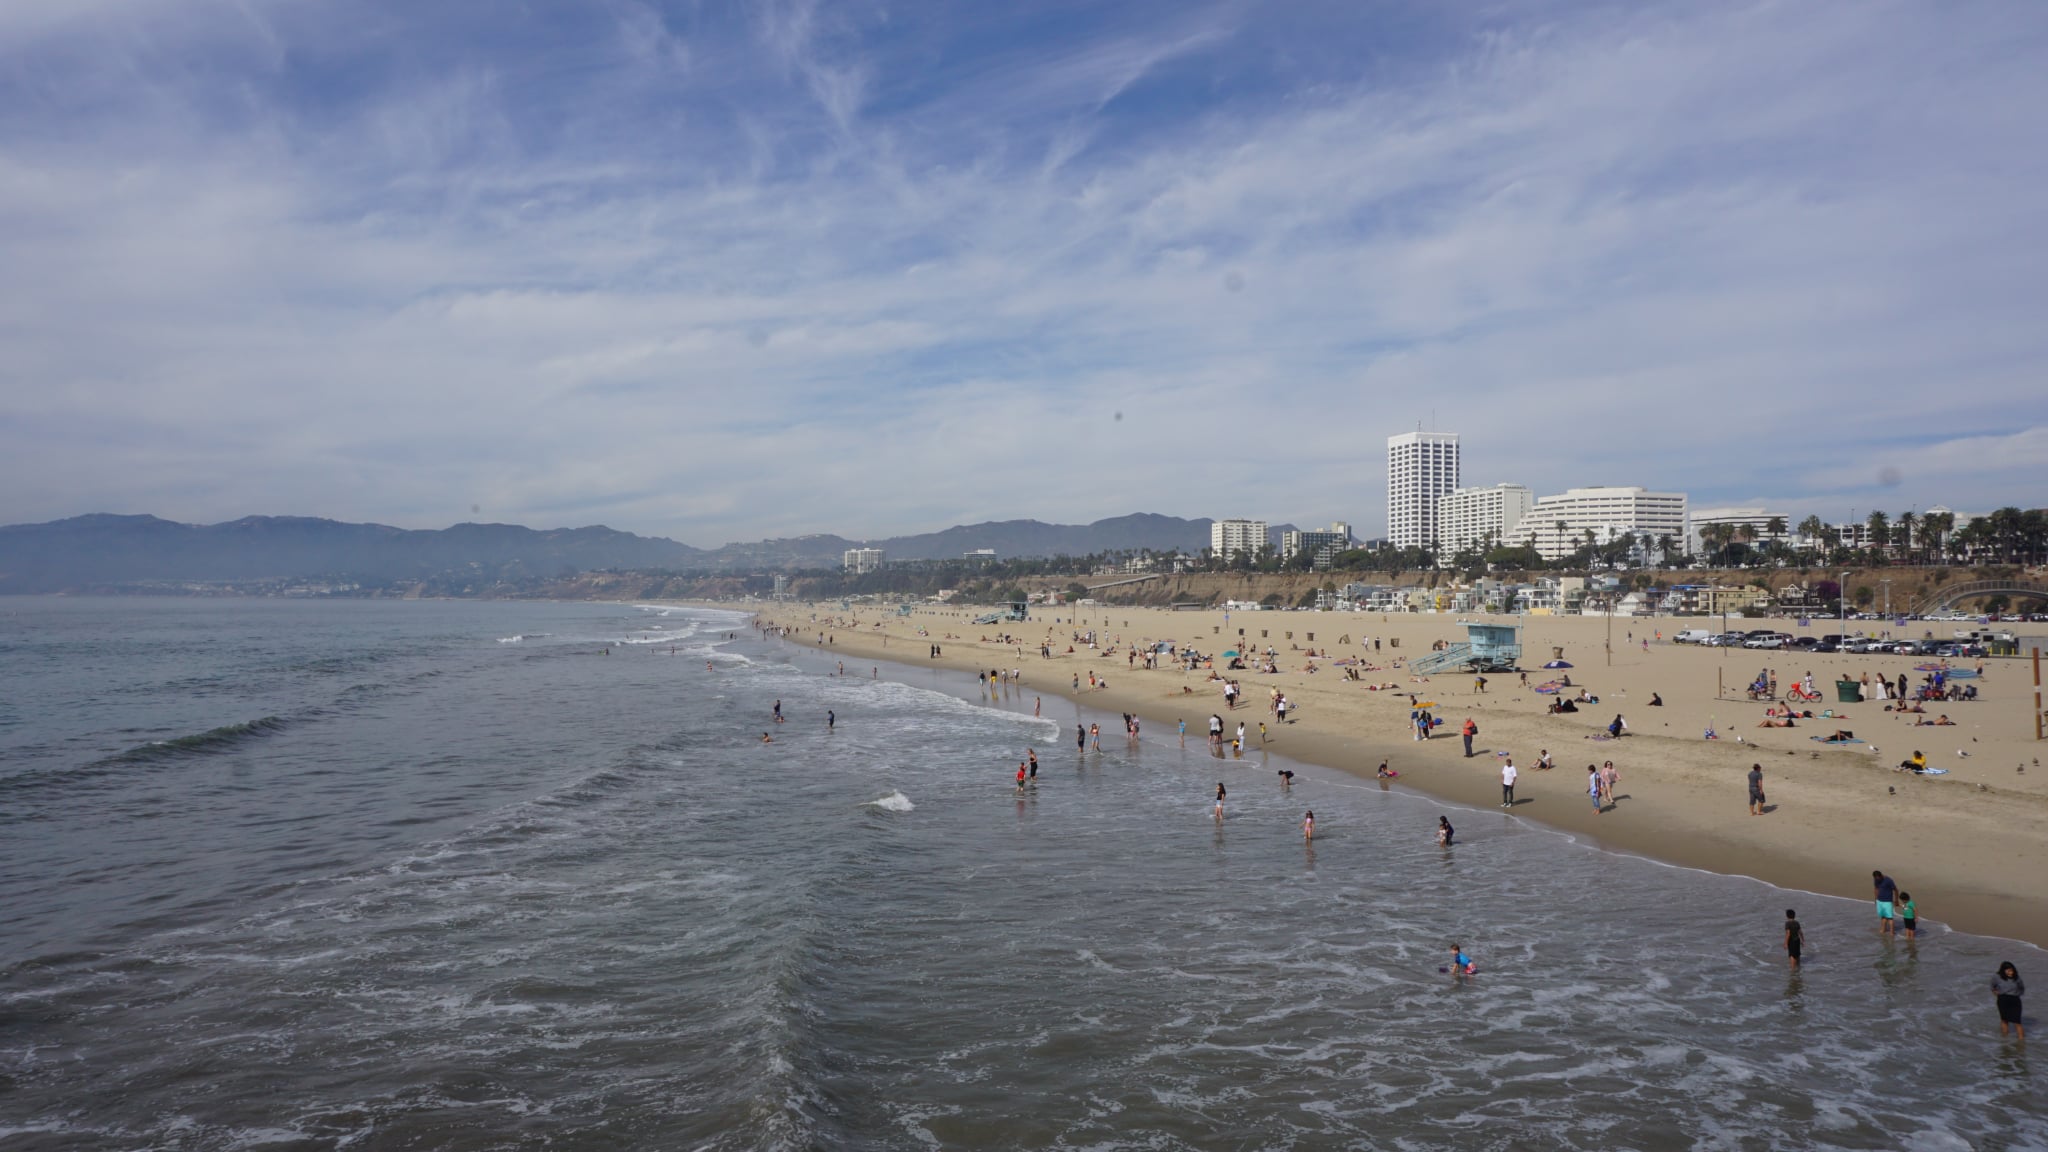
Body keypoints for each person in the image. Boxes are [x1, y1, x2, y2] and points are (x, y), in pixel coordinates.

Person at [1993, 962, 2026, 1040]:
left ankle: (2021, 1041)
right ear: (2003, 970)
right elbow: (1992, 986)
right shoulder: (1997, 977)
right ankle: (2005, 1039)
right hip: (2003, 1000)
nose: (2011, 972)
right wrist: (1997, 993)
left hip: (2015, 1000)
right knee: (2004, 1020)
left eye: (2012, 970)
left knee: (2017, 1022)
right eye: (2008, 970)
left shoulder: (2017, 978)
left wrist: (2017, 994)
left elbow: (2022, 988)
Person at [1873, 871, 1898, 936]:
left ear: (1881, 876)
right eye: (1876, 878)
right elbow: (1876, 888)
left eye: (1879, 878)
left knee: (1890, 917)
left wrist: (1896, 900)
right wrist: (1875, 899)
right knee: (1883, 916)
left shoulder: (1888, 880)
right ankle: (1883, 930)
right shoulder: (1876, 880)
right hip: (1879, 901)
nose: (1878, 880)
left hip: (1887, 901)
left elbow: (1895, 890)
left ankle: (1892, 933)